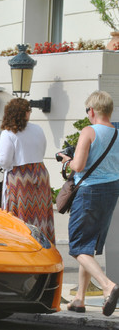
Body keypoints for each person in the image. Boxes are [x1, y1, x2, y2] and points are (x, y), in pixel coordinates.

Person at [59, 91, 119, 317]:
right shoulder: (118, 134)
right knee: (89, 245)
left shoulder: (89, 131)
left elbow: (79, 165)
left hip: (89, 192)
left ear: (92, 111)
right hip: (112, 191)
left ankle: (107, 285)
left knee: (77, 245)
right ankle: (79, 299)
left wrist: (67, 159)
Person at [0, 98, 55, 243]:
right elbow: (42, 150)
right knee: (41, 214)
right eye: (29, 111)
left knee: (20, 214)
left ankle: (21, 245)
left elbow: (6, 160)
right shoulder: (38, 129)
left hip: (19, 176)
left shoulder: (8, 133)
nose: (30, 113)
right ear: (24, 113)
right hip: (40, 173)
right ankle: (43, 245)